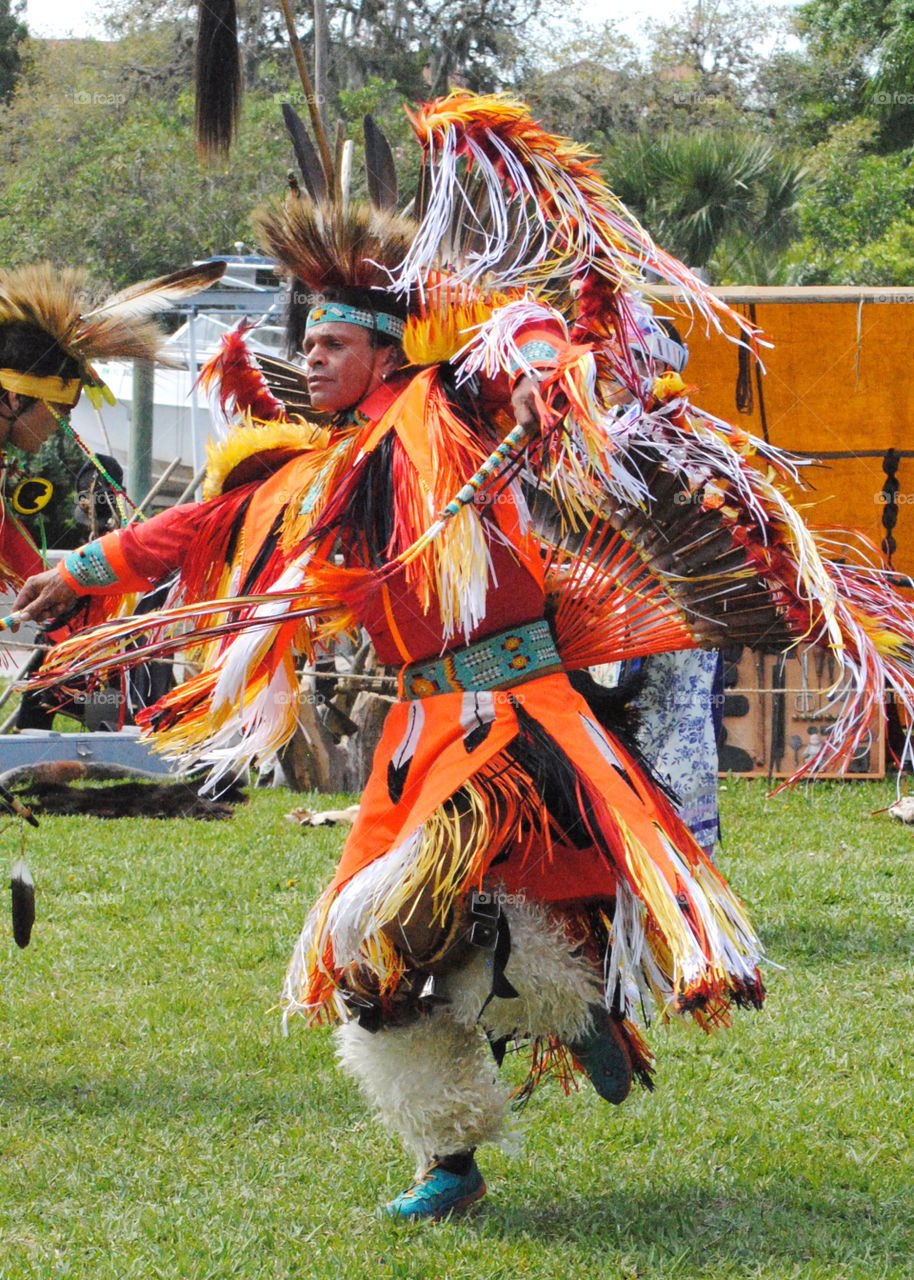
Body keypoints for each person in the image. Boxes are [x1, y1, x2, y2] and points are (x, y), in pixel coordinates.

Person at [13, 94, 914, 1223]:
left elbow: (526, 342)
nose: (309, 357)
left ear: (384, 348)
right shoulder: (324, 466)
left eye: (330, 341)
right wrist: (85, 563)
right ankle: (456, 1143)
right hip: (417, 731)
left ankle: (566, 1004)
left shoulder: (452, 409)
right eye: (304, 341)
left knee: (410, 909)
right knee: (365, 957)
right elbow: (193, 530)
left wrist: (550, 351)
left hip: (512, 713)